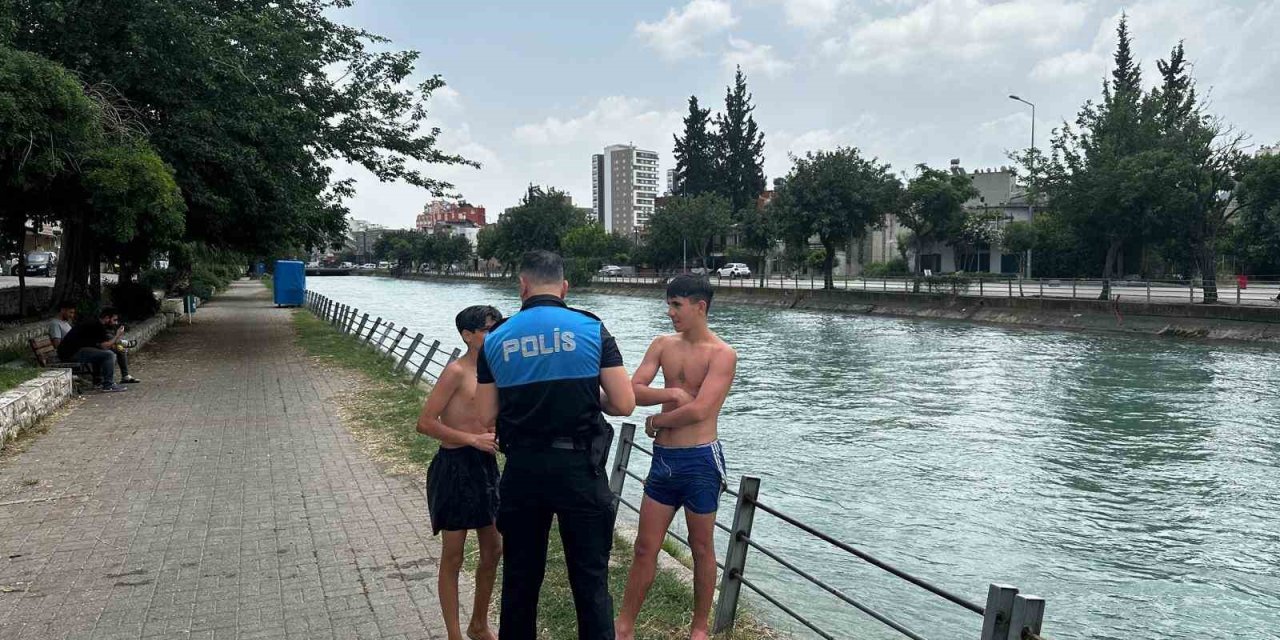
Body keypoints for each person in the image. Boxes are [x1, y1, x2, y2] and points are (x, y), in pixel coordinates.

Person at [475, 250, 635, 640]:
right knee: (591, 580)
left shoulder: (496, 338)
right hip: (580, 468)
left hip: (524, 470)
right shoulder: (591, 328)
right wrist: (583, 397)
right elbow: (623, 403)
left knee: (520, 579)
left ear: (522, 286)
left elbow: (484, 415)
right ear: (564, 287)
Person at [615, 275, 737, 640]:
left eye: (677, 306)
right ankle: (624, 625)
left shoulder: (723, 354)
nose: (670, 313)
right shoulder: (662, 344)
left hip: (700, 461)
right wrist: (671, 393)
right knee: (643, 547)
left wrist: (658, 419)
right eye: (668, 305)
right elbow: (633, 389)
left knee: (702, 547)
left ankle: (699, 629)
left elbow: (701, 411)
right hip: (664, 460)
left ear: (700, 307)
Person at [417, 305, 505, 640]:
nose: (493, 334)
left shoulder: (495, 371)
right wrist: (470, 438)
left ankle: (478, 624)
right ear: (468, 335)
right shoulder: (455, 371)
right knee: (453, 555)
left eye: (496, 328)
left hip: (485, 467)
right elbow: (425, 423)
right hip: (454, 468)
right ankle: (454, 634)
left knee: (494, 549)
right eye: (486, 329)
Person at [56, 307, 130, 392]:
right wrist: (118, 335)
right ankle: (108, 385)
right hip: (71, 353)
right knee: (109, 355)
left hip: (73, 351)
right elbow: (105, 346)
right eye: (114, 320)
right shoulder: (96, 326)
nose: (115, 323)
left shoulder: (95, 323)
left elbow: (102, 345)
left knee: (101, 353)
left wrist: (117, 340)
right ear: (106, 318)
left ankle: (98, 381)